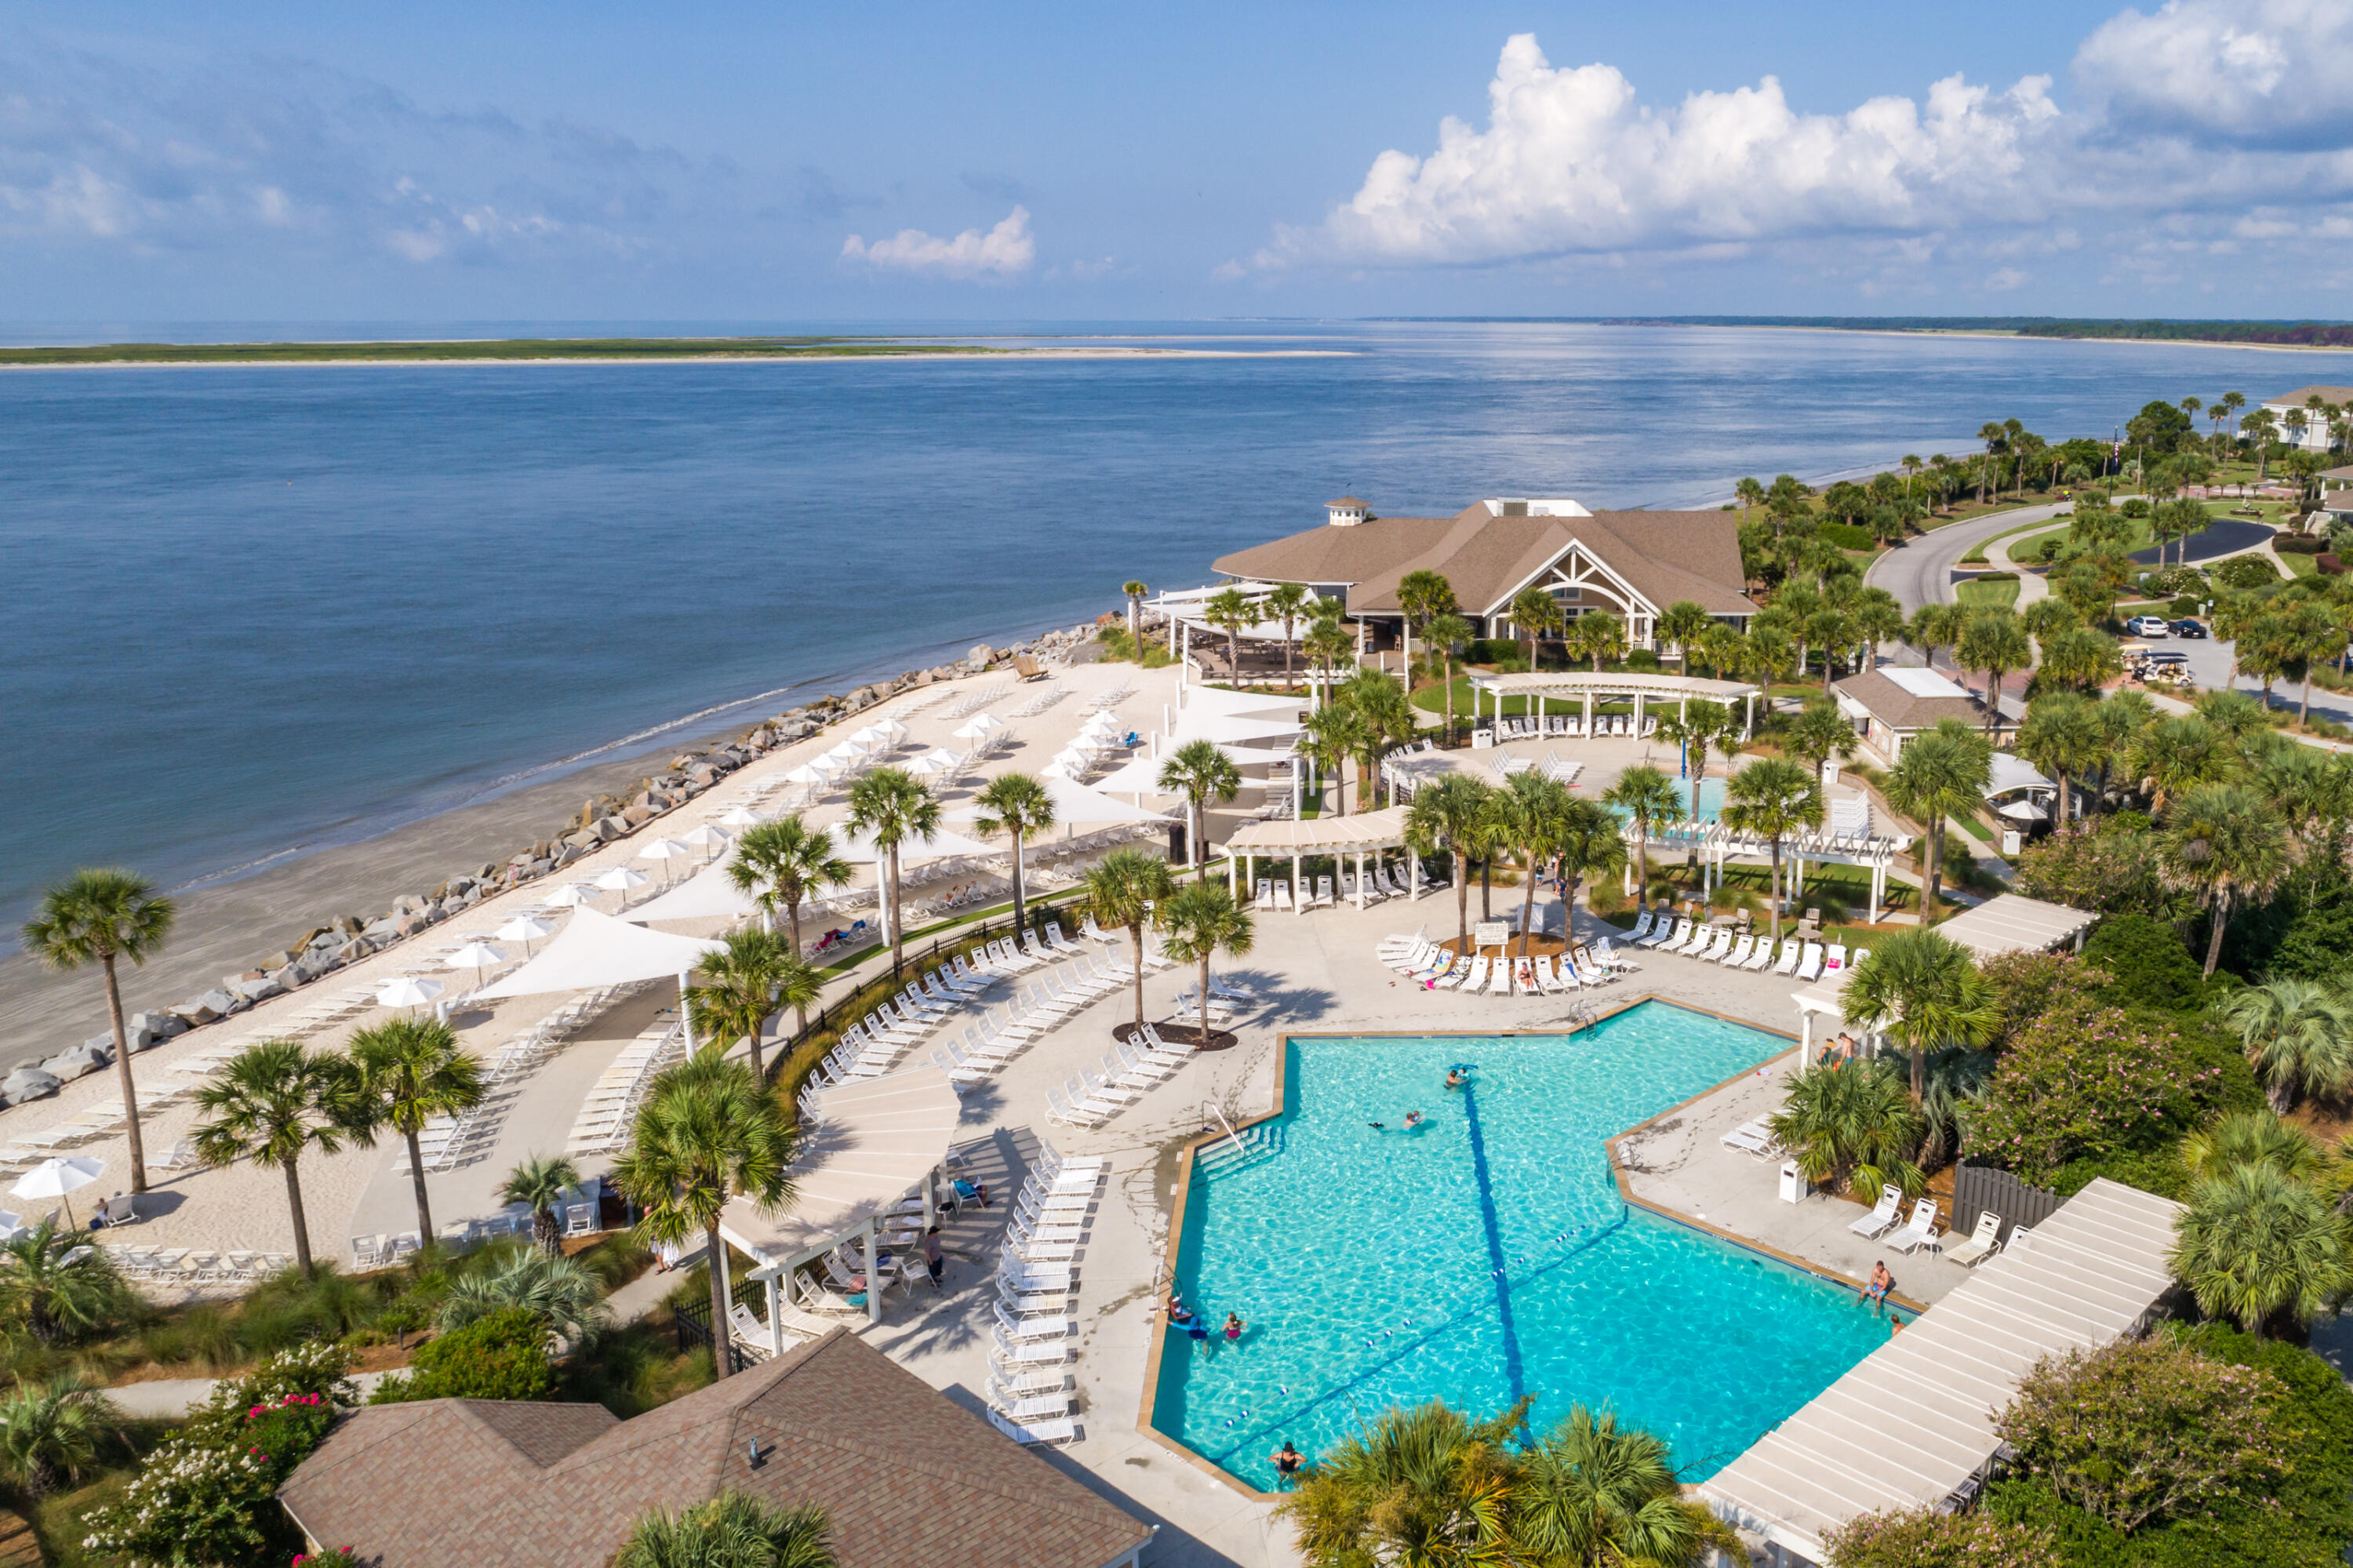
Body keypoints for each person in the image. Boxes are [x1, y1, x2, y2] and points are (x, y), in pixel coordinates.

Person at [920, 1226, 944, 1291]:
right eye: (936, 1232)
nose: (937, 1233)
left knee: (938, 1269)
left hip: (938, 1256)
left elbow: (938, 1244)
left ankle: (936, 1278)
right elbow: (927, 1253)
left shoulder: (936, 1237)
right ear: (932, 1233)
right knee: (932, 1271)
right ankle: (932, 1282)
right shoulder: (928, 1241)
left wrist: (940, 1252)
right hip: (932, 1259)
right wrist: (930, 1260)